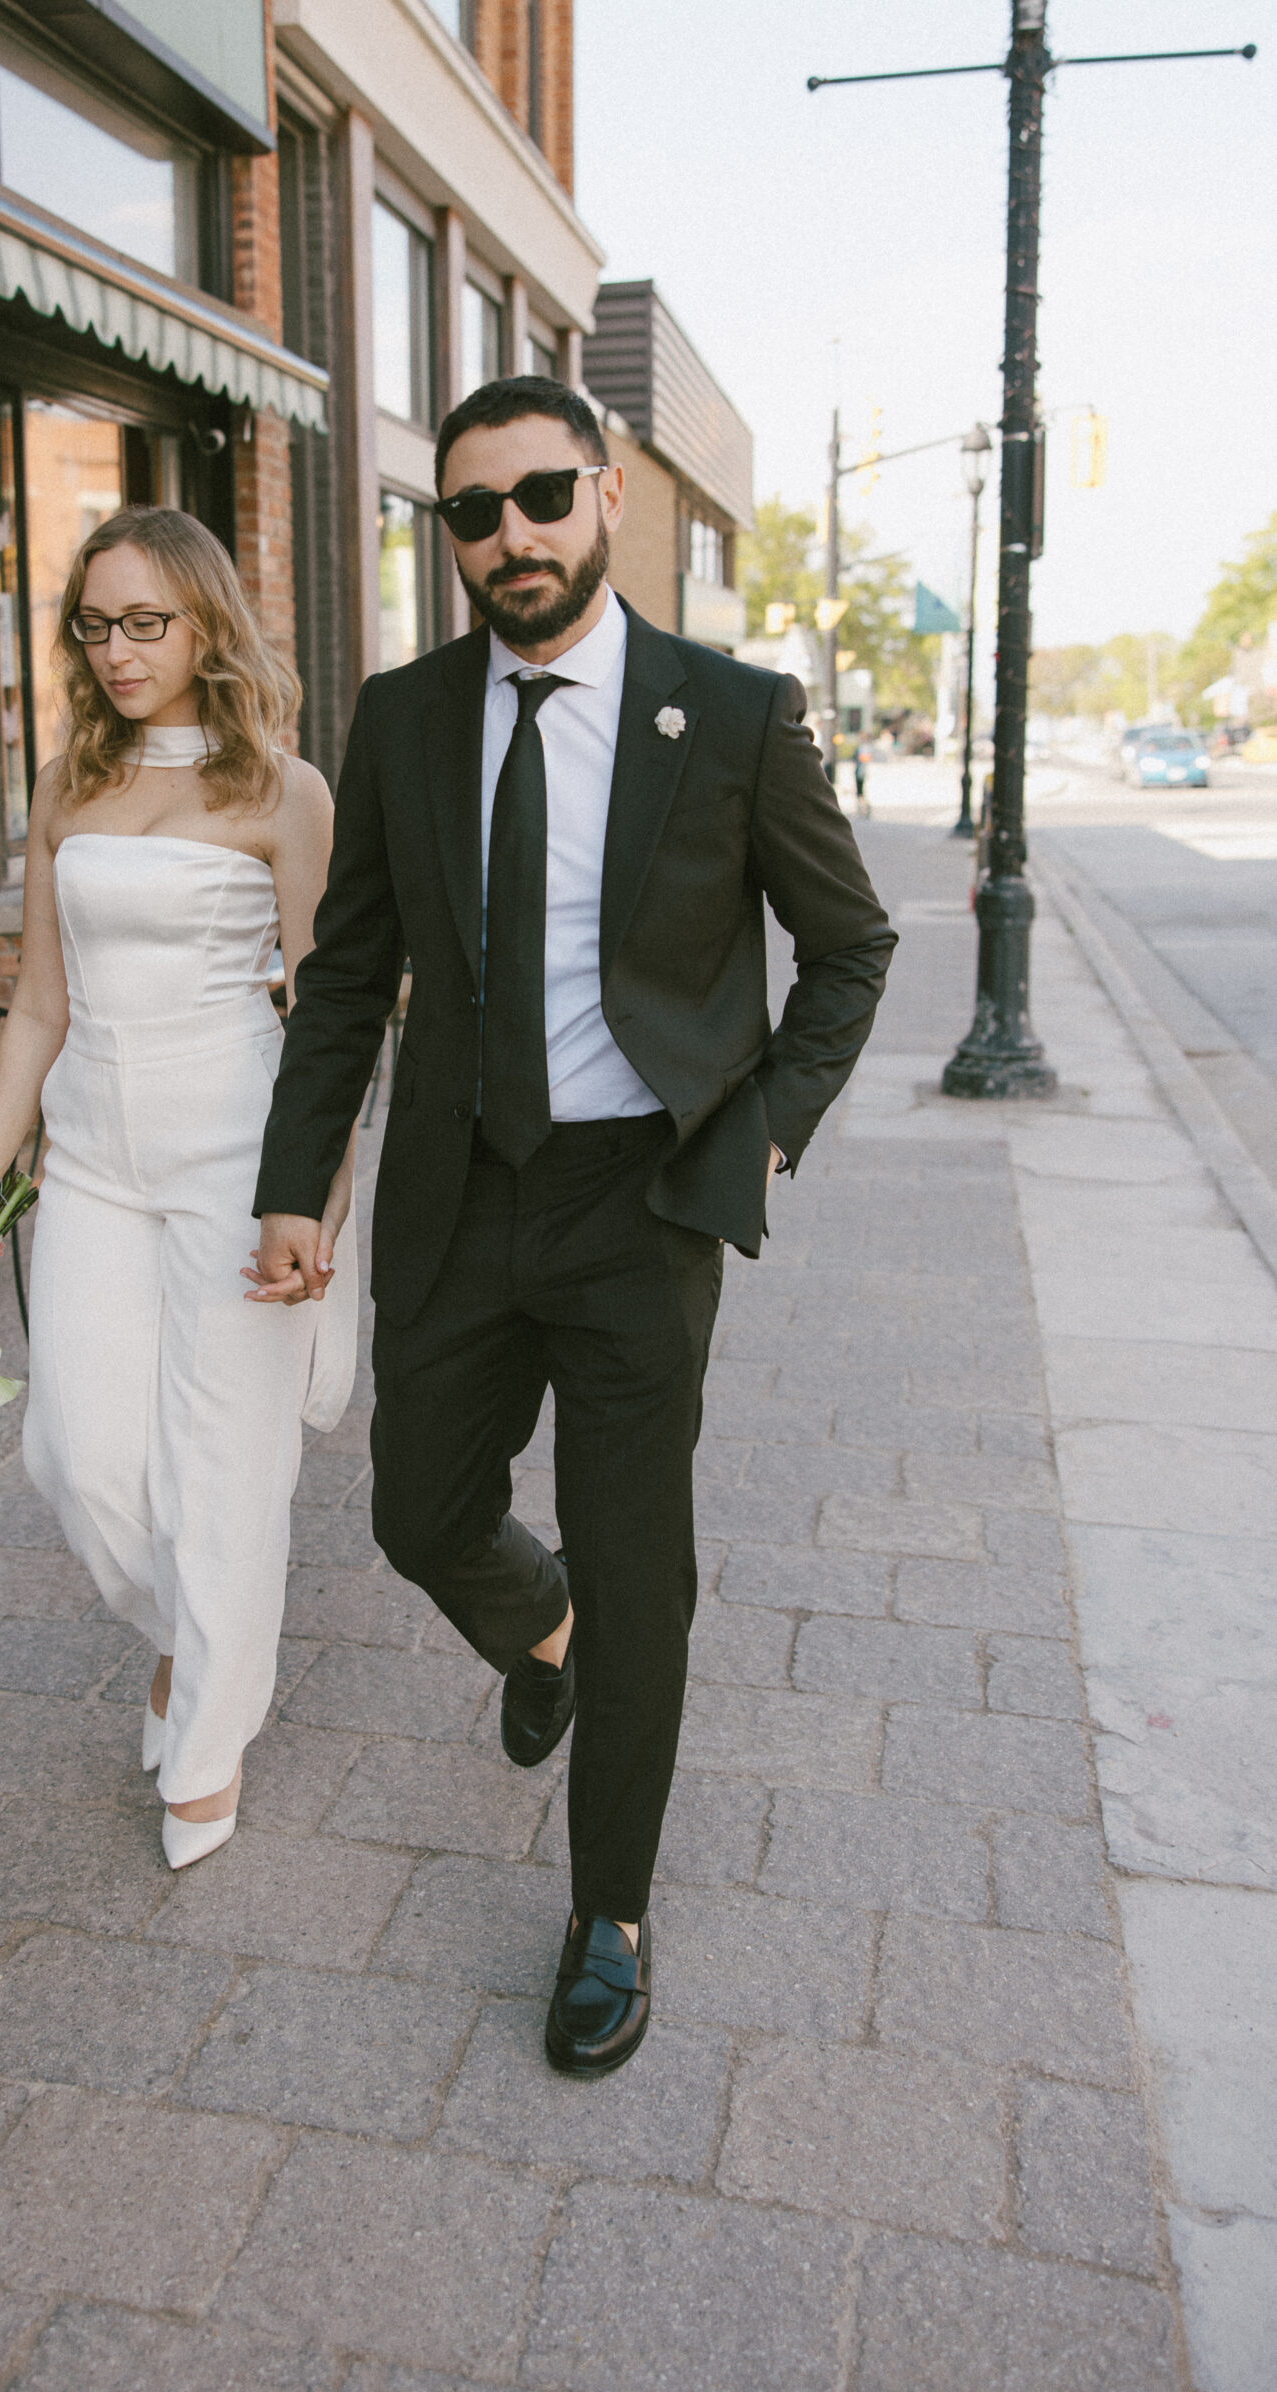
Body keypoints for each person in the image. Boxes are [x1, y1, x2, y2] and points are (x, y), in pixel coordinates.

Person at [248, 378, 894, 2074]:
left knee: (639, 1564)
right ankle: (542, 1637)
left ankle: (611, 1909)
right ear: (444, 532)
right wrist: (294, 1187)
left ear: (607, 495)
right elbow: (345, 986)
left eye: (543, 496)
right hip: (457, 1193)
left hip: (640, 1206)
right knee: (414, 1511)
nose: (511, 536)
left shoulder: (733, 714)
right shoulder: (402, 718)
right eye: (474, 511)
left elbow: (851, 950)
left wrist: (763, 1137)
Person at [0, 506, 356, 1872]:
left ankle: (211, 1735)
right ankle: (190, 1637)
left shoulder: (284, 792)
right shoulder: (70, 784)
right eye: (94, 623)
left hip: (239, 1153)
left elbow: (330, 1019)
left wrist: (325, 1201)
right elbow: (36, 1007)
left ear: (205, 625)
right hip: (95, 1161)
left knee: (223, 1462)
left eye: (145, 622)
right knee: (77, 1452)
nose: (116, 650)